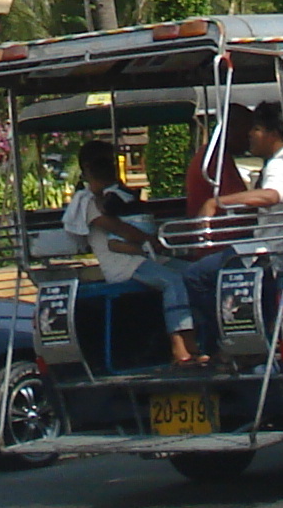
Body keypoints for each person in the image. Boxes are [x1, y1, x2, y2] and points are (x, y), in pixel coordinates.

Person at [177, 104, 283, 358]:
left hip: (272, 250)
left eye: (256, 129)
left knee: (196, 275)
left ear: (273, 134)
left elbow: (272, 195)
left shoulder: (280, 164)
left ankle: (223, 345)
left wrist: (219, 202)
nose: (250, 135)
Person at [61, 142, 200, 366]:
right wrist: (151, 241)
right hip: (123, 264)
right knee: (172, 281)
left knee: (194, 272)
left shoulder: (114, 196)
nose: (111, 168)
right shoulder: (88, 203)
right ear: (88, 169)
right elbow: (119, 229)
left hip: (141, 255)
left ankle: (198, 337)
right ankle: (181, 346)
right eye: (104, 163)